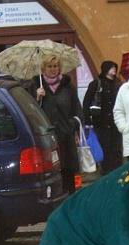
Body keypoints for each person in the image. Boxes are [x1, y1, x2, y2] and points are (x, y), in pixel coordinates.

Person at [31, 55, 82, 195]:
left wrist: (73, 126)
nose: (53, 69)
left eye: (55, 66)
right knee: (52, 169)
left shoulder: (68, 86)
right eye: (49, 66)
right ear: (43, 68)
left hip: (66, 134)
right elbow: (30, 112)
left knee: (68, 168)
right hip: (48, 137)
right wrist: (37, 98)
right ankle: (55, 197)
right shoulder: (36, 86)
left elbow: (77, 109)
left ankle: (71, 197)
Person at [83, 61, 123, 175]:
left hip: (115, 123)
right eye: (111, 68)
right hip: (100, 124)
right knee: (104, 151)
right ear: (105, 69)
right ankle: (105, 174)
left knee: (116, 151)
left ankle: (116, 174)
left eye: (115, 68)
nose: (114, 70)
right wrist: (87, 121)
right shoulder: (96, 84)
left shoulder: (118, 84)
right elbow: (86, 102)